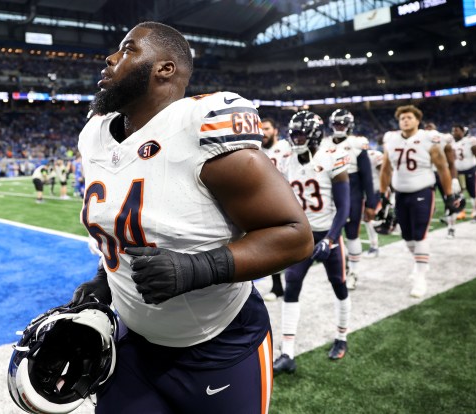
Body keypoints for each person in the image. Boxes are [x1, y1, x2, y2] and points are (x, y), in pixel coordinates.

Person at [69, 21, 313, 414]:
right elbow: (120, 227)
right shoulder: (94, 135)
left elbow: (295, 234)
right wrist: (104, 282)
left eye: (129, 49)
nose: (111, 58)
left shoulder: (200, 126)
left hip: (219, 344)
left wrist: (194, 269)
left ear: (165, 68)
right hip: (136, 342)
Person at [272, 111, 351, 375]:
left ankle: (342, 337)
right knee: (291, 284)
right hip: (301, 234)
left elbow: (344, 207)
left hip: (328, 232)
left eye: (300, 134)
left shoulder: (332, 157)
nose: (295, 139)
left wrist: (330, 239)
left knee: (338, 283)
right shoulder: (285, 160)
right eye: (292, 134)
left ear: (315, 134)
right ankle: (288, 354)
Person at [380, 105, 460, 298]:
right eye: (402, 118)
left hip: (423, 191)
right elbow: (385, 169)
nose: (405, 121)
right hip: (400, 194)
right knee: (407, 237)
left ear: (417, 120)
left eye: (409, 117)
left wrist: (449, 195)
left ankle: (421, 276)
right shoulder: (391, 139)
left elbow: (442, 168)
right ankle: (420, 263)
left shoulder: (428, 138)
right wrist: (383, 195)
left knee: (420, 234)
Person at [324, 109, 377, 289]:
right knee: (333, 234)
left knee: (352, 234)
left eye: (342, 124)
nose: (339, 127)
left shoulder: (357, 143)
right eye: (337, 123)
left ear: (349, 125)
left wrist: (371, 203)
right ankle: (342, 268)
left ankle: (354, 271)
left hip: (353, 192)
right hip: (330, 193)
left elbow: (367, 176)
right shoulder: (324, 143)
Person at [257, 117, 292, 301]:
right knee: (274, 245)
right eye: (261, 129)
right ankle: (278, 286)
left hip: (288, 201)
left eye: (268, 128)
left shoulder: (287, 147)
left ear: (276, 130)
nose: (264, 132)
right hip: (266, 203)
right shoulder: (257, 150)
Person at [424, 122, 461, 237]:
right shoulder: (419, 139)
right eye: (427, 126)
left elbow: (451, 162)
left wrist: (454, 179)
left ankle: (451, 228)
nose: (429, 128)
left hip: (442, 173)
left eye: (431, 126)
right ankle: (422, 232)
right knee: (424, 202)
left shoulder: (444, 138)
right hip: (427, 174)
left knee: (449, 200)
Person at [451, 124, 476, 222]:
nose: (454, 133)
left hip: (471, 170)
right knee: (459, 193)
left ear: (462, 131)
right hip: (459, 172)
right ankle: (461, 211)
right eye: (453, 131)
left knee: (473, 193)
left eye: (456, 130)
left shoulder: (470, 141)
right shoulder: (452, 143)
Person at [363, 148, 384, 258]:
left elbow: (384, 173)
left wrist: (388, 192)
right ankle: (374, 245)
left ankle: (374, 246)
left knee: (370, 219)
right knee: (368, 220)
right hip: (363, 193)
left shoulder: (374, 155)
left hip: (375, 192)